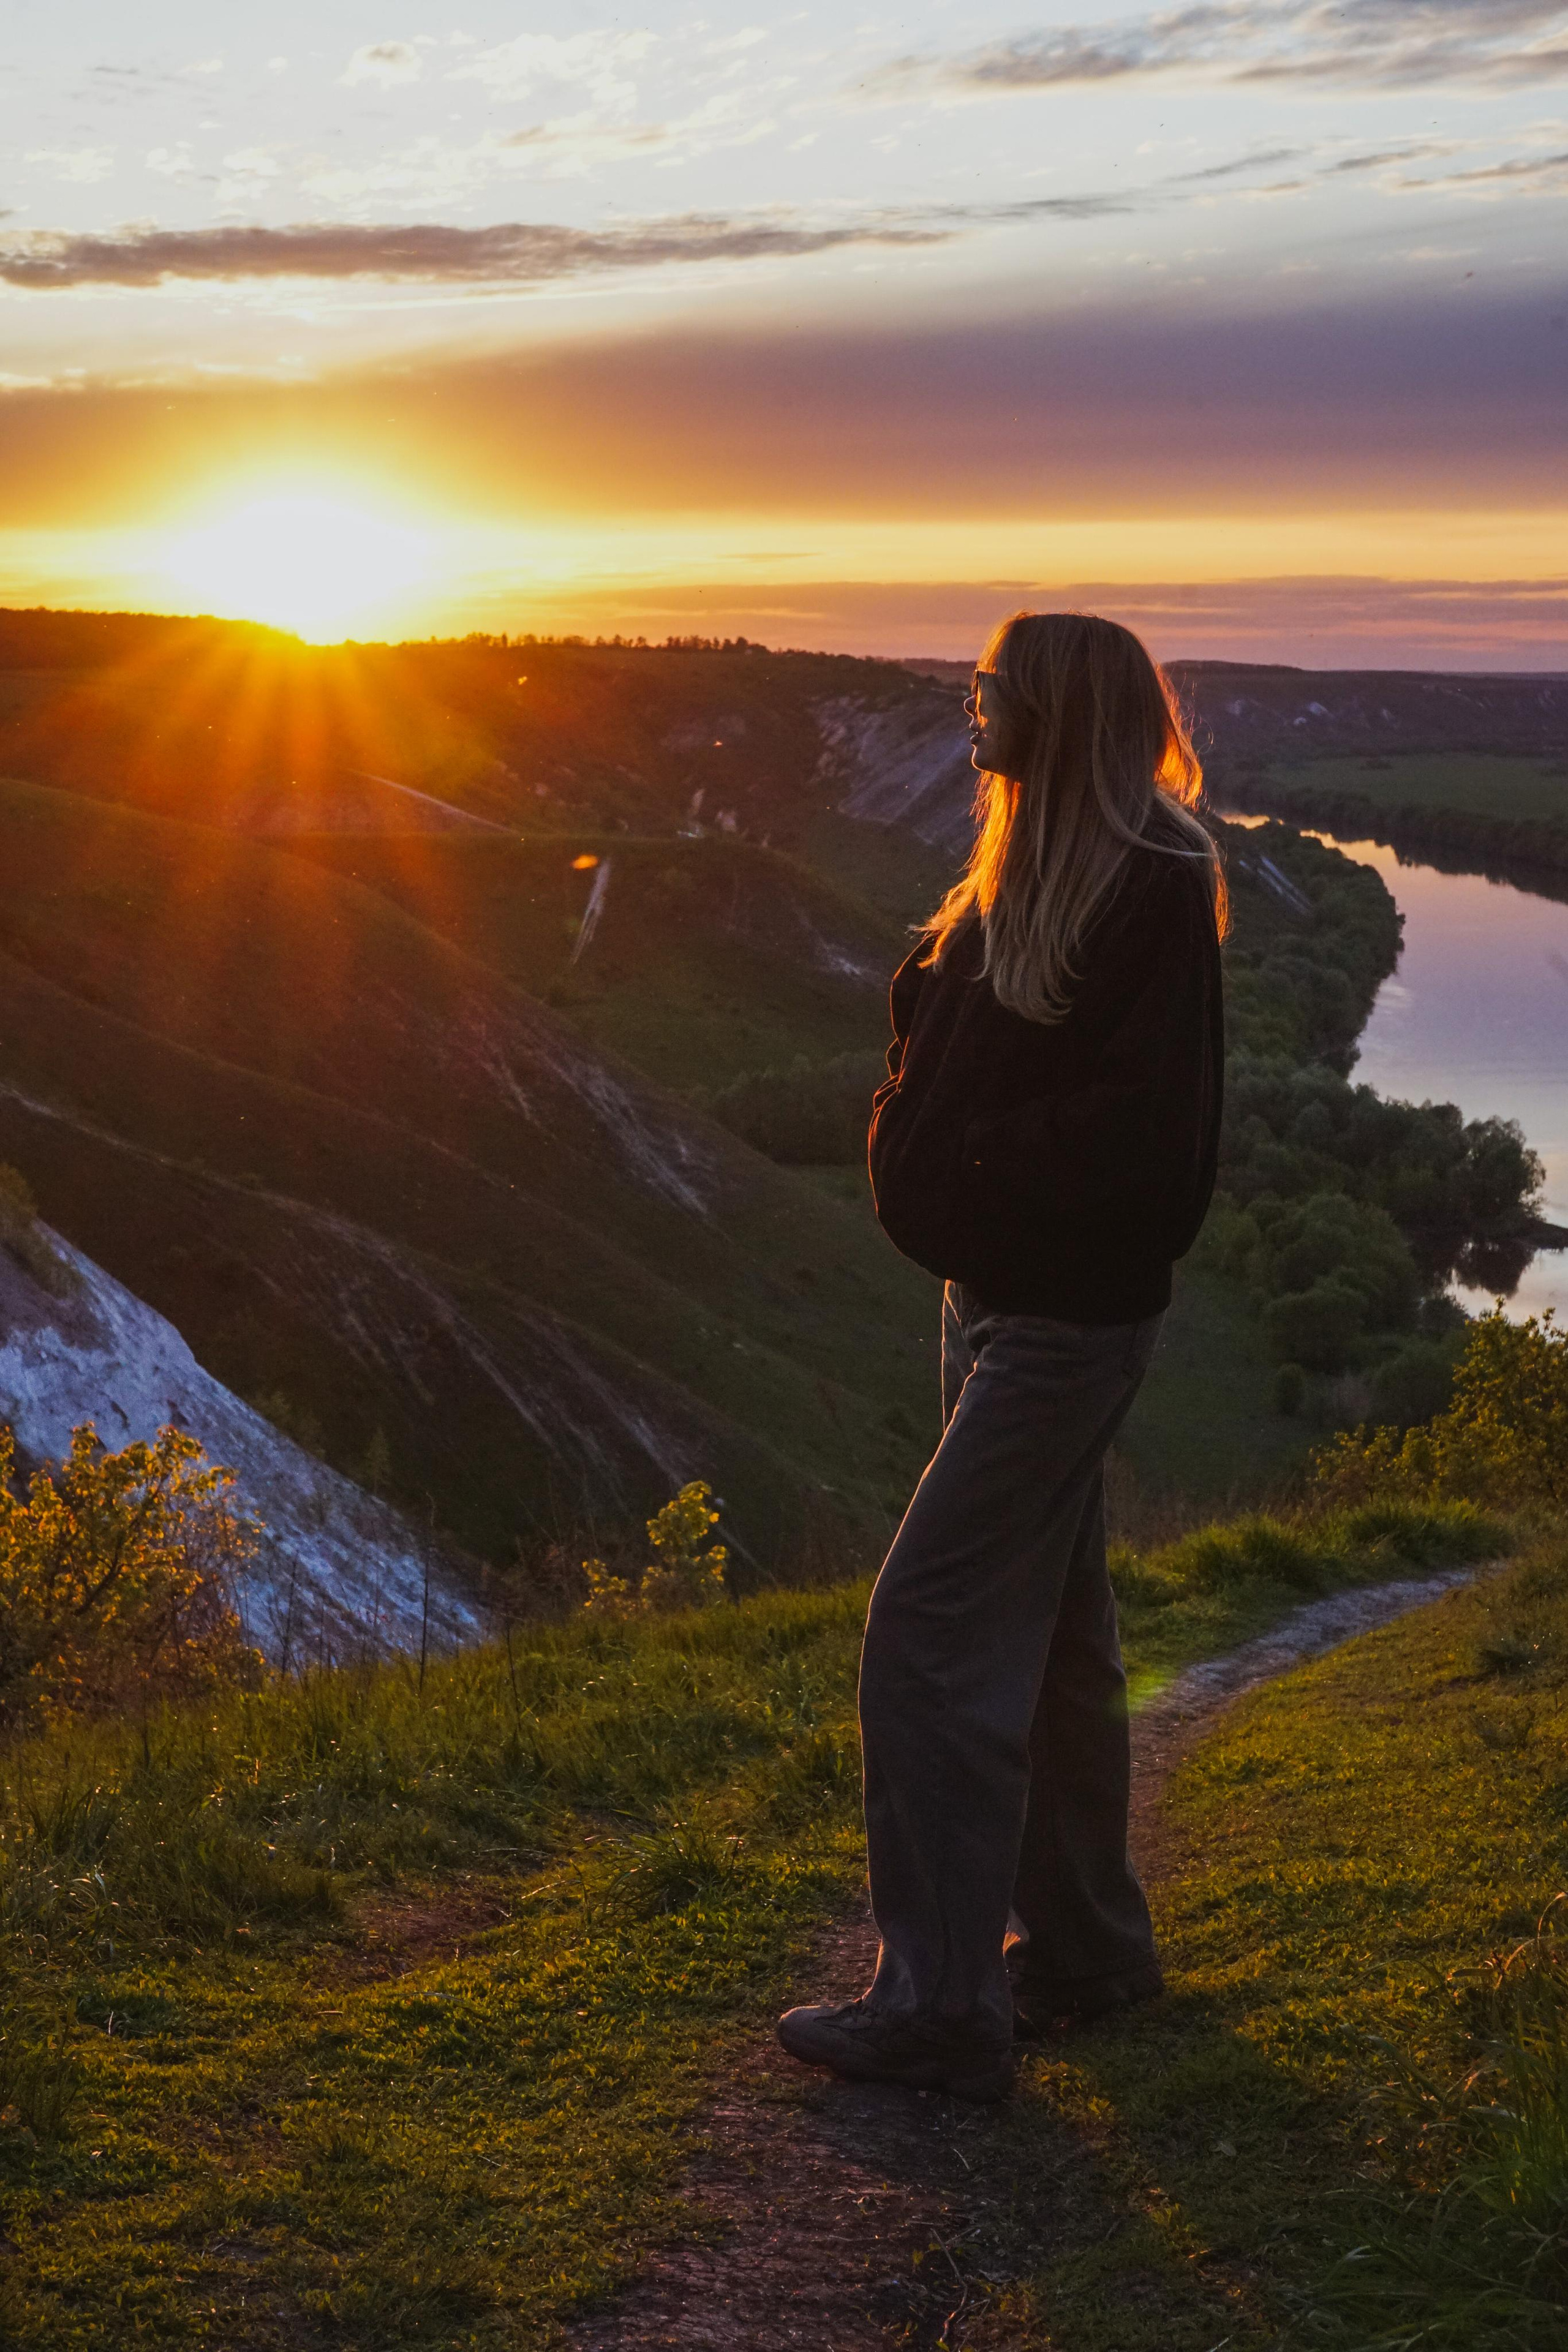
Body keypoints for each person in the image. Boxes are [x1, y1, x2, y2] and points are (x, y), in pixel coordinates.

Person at [777, 610, 1226, 2102]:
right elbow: (956, 1051)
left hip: (1062, 1323)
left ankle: (941, 2003)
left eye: (991, 689)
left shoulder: (1149, 881)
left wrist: (959, 1163)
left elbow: (1148, 1145)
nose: (969, 706)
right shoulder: (1019, 867)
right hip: (990, 1307)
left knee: (925, 1634)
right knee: (1048, 1644)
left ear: (1056, 710)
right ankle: (1090, 1951)